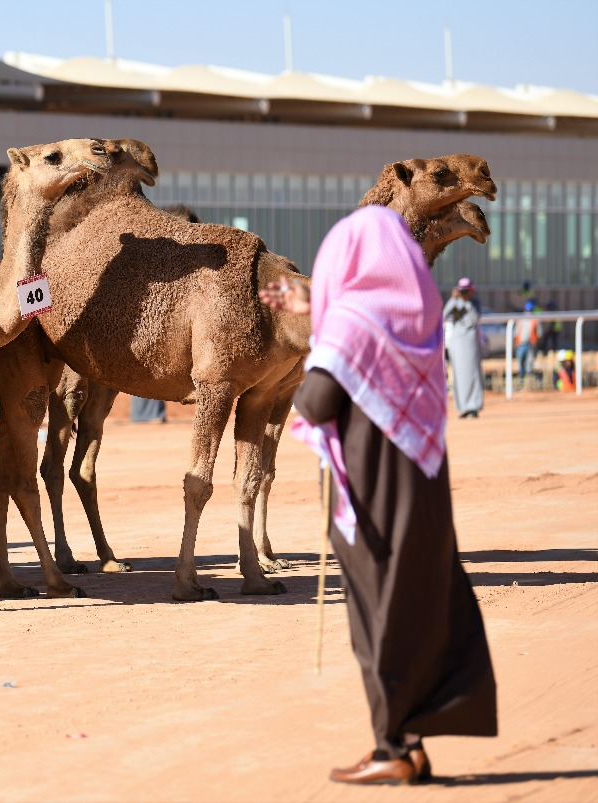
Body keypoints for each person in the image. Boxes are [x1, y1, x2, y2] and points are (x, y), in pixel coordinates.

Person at [261, 206, 497, 786]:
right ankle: (410, 743)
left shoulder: (353, 320)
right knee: (416, 605)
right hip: (421, 490)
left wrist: (322, 328)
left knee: (379, 616)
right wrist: (322, 317)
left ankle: (392, 746)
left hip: (371, 498)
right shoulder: (417, 318)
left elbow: (316, 402)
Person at [443, 277, 483, 418]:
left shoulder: (474, 302)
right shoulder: (456, 302)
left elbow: (474, 318)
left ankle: (473, 406)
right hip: (456, 342)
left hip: (470, 340)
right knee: (459, 375)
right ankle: (463, 407)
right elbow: (444, 314)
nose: (464, 293)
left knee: (472, 373)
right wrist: (453, 299)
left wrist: (466, 303)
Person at [514, 300, 539, 383]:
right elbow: (516, 332)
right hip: (521, 343)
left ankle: (529, 377)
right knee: (520, 359)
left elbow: (539, 333)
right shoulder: (521, 319)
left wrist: (535, 341)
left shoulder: (535, 320)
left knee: (530, 360)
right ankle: (521, 376)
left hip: (530, 344)